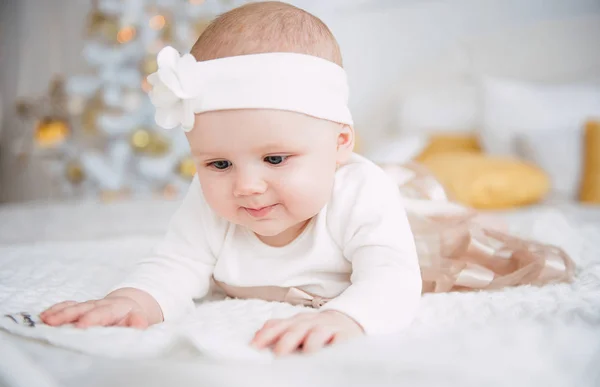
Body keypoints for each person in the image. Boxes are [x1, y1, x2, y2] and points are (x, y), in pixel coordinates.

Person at [40, 1, 574, 356]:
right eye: (218, 164)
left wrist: (350, 318)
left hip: (409, 237)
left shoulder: (361, 192)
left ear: (341, 143)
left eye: (275, 159)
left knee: (453, 239)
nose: (245, 185)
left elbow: (392, 280)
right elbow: (177, 264)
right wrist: (134, 300)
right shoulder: (210, 205)